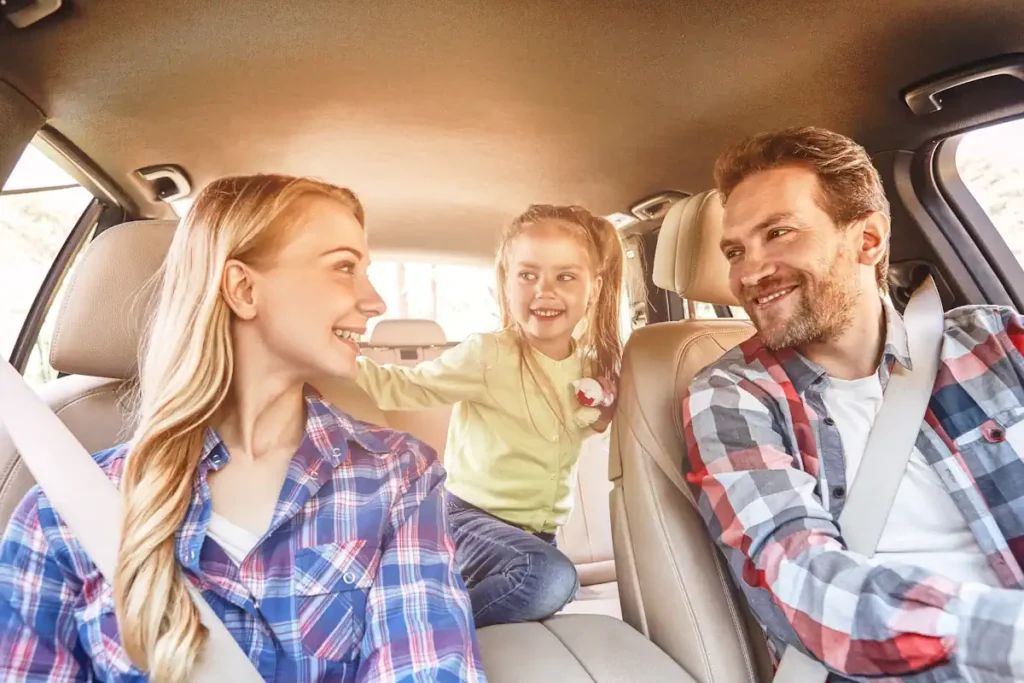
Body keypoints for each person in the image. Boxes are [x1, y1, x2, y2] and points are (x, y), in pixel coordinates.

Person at [0, 175, 485, 682]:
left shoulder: (397, 476)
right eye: (344, 267)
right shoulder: (60, 517)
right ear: (244, 288)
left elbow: (425, 664)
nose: (376, 301)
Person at [684, 127, 1024, 682]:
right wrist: (1002, 635)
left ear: (868, 240)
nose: (749, 272)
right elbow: (801, 580)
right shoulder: (731, 397)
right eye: (735, 251)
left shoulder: (997, 342)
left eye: (779, 233)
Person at [355, 205, 624, 627]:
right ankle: (422, 630)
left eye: (565, 277)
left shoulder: (592, 369)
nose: (545, 290)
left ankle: (439, 606)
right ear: (505, 282)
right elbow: (404, 387)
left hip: (535, 538)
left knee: (556, 580)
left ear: (594, 289)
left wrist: (605, 412)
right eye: (528, 275)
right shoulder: (489, 355)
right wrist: (339, 360)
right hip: (465, 518)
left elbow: (574, 430)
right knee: (552, 578)